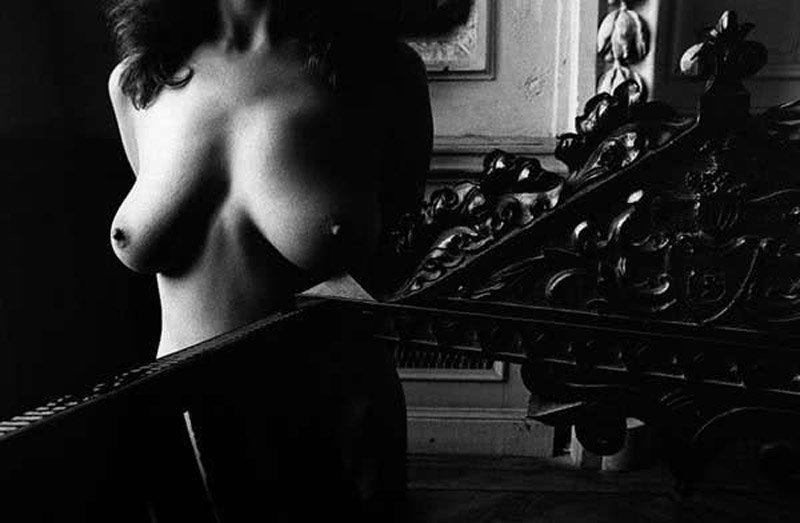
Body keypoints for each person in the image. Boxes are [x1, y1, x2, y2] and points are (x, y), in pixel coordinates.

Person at [105, 0, 471, 520]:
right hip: (178, 436)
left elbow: (399, 260)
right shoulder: (138, 82)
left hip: (329, 432)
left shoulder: (382, 74)